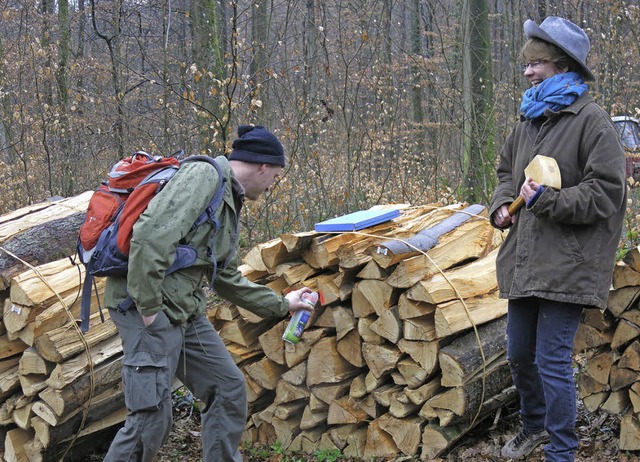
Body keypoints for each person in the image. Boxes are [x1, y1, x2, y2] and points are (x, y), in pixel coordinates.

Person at [102, 125, 315, 462]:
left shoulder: (229, 197)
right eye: (275, 173)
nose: (273, 182)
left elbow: (224, 276)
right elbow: (150, 237)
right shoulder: (204, 177)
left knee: (227, 389)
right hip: (148, 309)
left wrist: (280, 304)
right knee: (150, 417)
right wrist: (148, 310)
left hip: (184, 310)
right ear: (262, 166)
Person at [489, 17, 626, 462]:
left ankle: (562, 451)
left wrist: (549, 200)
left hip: (568, 264)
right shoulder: (528, 120)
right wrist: (501, 207)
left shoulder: (592, 122)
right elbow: (506, 173)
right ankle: (534, 428)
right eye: (526, 65)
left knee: (551, 361)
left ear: (563, 66)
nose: (527, 72)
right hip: (525, 258)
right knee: (518, 356)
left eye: (536, 64)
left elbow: (606, 193)